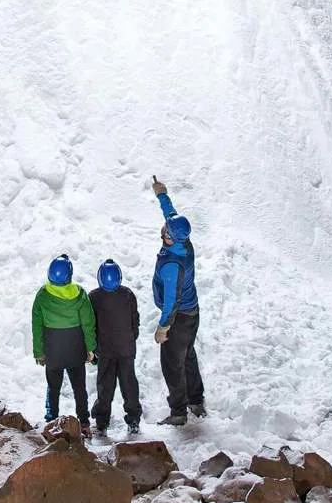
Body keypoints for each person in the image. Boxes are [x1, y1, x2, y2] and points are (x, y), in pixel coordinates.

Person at [150, 176, 204, 425]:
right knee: (188, 355)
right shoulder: (183, 241)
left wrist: (163, 327)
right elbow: (171, 216)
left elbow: (171, 302)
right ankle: (196, 399)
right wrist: (162, 195)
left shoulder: (172, 265)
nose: (162, 228)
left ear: (170, 237)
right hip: (193, 313)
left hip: (179, 317)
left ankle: (179, 412)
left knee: (172, 363)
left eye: (166, 230)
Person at [32, 253, 97, 424]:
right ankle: (84, 422)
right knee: (79, 388)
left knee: (53, 388)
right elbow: (88, 324)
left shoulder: (43, 295)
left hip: (53, 350)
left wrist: (39, 352)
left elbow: (37, 326)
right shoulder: (80, 294)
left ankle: (51, 419)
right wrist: (91, 348)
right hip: (75, 350)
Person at [90, 259, 142, 435]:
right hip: (126, 349)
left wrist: (93, 347)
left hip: (105, 351)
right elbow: (135, 321)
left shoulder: (94, 297)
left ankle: (102, 423)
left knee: (105, 387)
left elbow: (91, 325)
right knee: (129, 385)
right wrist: (131, 338)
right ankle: (133, 420)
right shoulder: (128, 294)